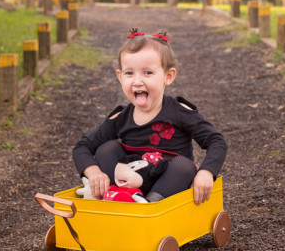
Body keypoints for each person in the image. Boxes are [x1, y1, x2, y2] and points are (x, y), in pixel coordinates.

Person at [72, 28, 227, 204]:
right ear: (120, 77)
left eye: (148, 73)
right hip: (130, 183)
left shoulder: (179, 111)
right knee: (106, 148)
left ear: (168, 76)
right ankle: (115, 197)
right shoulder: (121, 117)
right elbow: (82, 147)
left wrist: (206, 172)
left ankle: (150, 206)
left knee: (183, 166)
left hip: (167, 185)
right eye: (129, 73)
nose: (137, 81)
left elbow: (216, 141)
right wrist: (93, 172)